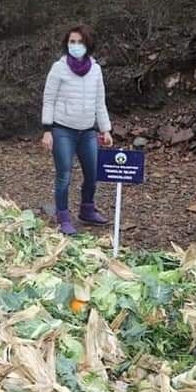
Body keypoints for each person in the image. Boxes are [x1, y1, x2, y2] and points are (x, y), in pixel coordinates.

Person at [40, 24, 113, 235]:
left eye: (79, 42)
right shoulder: (59, 68)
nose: (75, 45)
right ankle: (62, 216)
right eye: (72, 42)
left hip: (88, 131)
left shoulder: (96, 70)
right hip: (63, 130)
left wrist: (105, 129)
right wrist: (47, 129)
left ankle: (87, 210)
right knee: (64, 174)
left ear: (87, 44)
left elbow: (100, 102)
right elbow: (49, 99)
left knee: (92, 173)